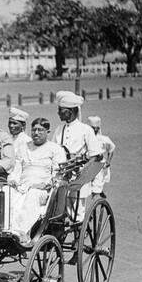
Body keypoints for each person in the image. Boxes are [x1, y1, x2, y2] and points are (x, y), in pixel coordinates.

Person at [53, 91, 103, 264]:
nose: (58, 113)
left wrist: (82, 173)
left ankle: (77, 247)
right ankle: (57, 242)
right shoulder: (59, 130)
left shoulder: (85, 130)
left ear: (72, 110)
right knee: (58, 211)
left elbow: (95, 155)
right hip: (61, 177)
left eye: (61, 110)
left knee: (77, 214)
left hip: (78, 179)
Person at [7, 118, 67, 244]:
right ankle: (5, 229)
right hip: (22, 186)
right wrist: (12, 179)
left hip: (44, 190)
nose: (36, 133)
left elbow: (58, 174)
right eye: (34, 130)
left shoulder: (55, 149)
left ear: (47, 131)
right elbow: (16, 169)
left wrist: (45, 184)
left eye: (40, 130)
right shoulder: (24, 148)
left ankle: (21, 233)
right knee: (5, 192)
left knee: (32, 195)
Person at [87, 116, 116, 200]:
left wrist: (108, 161)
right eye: (93, 128)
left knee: (96, 188)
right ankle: (99, 190)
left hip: (100, 165)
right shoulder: (86, 139)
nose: (94, 130)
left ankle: (95, 200)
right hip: (88, 164)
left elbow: (111, 149)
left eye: (97, 128)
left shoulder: (104, 139)